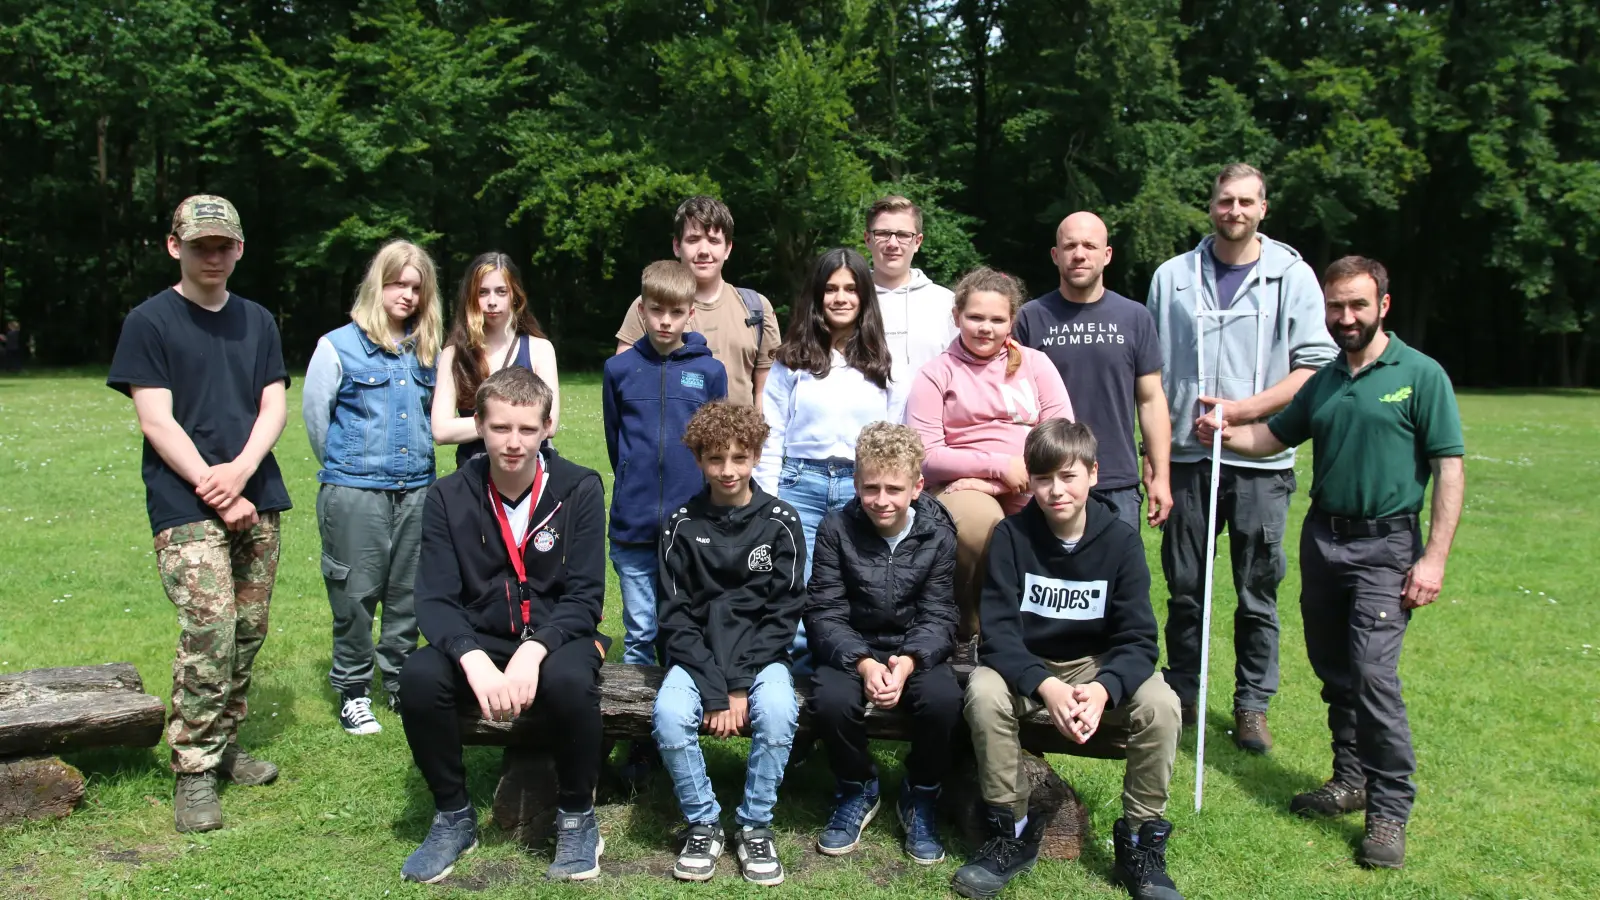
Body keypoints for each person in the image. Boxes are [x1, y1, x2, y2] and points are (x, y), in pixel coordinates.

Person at [1198, 256, 1464, 870]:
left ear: (1383, 306)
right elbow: (1272, 438)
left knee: (1373, 678)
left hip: (1388, 547)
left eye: (1358, 305)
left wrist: (1434, 558)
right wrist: (1224, 428)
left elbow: (1450, 468)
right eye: (1336, 306)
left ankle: (1389, 810)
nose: (1346, 317)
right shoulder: (1324, 379)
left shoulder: (1420, 375)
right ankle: (1351, 780)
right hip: (1323, 542)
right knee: (1336, 672)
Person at [106, 195, 291, 834]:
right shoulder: (149, 321)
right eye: (199, 246)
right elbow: (156, 420)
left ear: (239, 249)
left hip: (258, 493)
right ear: (174, 247)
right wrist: (220, 488)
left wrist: (242, 474)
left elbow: (273, 407)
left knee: (247, 631)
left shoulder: (258, 320)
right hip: (184, 504)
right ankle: (193, 770)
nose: (212, 257)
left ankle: (225, 744)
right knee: (210, 628)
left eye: (223, 246)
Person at [1147, 162, 1337, 752]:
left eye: (1246, 202)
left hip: (1262, 460)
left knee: (1258, 589)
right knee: (1185, 589)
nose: (1235, 211)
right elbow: (1150, 374)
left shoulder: (1292, 276)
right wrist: (1155, 461)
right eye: (1225, 200)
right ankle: (1183, 692)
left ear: (1264, 208)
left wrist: (1242, 410)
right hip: (1184, 457)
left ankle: (1252, 703)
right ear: (1211, 205)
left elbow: (1314, 367)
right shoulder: (1173, 276)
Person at [954, 419, 1183, 900]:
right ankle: (1008, 831)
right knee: (982, 690)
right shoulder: (1012, 537)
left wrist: (1104, 689)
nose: (1055, 490)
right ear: (1030, 480)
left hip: (1096, 667)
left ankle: (1141, 844)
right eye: (1042, 479)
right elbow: (998, 636)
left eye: (1068, 476)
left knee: (1161, 702)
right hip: (1030, 668)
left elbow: (1139, 639)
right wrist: (1046, 686)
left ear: (1093, 474)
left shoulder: (1120, 542)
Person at [398, 367, 608, 884]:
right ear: (479, 426)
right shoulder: (448, 495)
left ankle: (578, 816)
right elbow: (434, 599)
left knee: (570, 681)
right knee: (420, 678)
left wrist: (534, 651)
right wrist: (472, 659)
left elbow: (585, 597)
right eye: (500, 429)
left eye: (526, 430)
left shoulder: (578, 487)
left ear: (547, 428)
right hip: (481, 636)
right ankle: (453, 816)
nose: (513, 443)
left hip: (559, 633)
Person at [653, 402, 805, 886]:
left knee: (779, 711)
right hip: (696, 657)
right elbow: (675, 618)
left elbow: (782, 616)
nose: (727, 470)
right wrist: (716, 689)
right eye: (715, 459)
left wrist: (738, 687)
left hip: (761, 658)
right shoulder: (679, 523)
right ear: (698, 460)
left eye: (739, 458)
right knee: (669, 717)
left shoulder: (782, 521)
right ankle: (703, 822)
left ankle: (754, 824)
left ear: (757, 456)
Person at [302, 240, 444, 734]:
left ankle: (402, 682)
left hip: (417, 492)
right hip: (355, 491)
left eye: (415, 287)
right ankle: (353, 689)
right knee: (355, 595)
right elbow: (318, 424)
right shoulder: (337, 346)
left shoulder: (427, 351)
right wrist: (351, 470)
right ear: (376, 284)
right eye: (396, 283)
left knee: (407, 595)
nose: (406, 295)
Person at [803, 422, 960, 864]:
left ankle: (922, 790)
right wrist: (864, 665)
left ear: (917, 487)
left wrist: (909, 661)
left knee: (945, 699)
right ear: (856, 483)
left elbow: (940, 613)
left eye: (894, 488)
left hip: (915, 649)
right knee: (830, 700)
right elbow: (824, 611)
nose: (881, 500)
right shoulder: (837, 529)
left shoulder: (937, 534)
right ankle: (856, 785)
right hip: (854, 647)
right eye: (870, 487)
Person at [904, 267, 1073, 640]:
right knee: (981, 524)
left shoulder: (1036, 365)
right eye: (975, 317)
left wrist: (998, 482)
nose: (986, 328)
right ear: (957, 317)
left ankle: (1057, 640)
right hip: (960, 491)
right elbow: (926, 455)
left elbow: (1061, 440)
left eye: (997, 319)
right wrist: (995, 468)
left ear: (1012, 320)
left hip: (1031, 482)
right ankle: (970, 631)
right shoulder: (936, 374)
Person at [756, 247, 899, 670]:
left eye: (850, 289)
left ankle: (848, 668)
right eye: (831, 289)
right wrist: (766, 496)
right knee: (796, 581)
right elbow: (772, 433)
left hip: (863, 487)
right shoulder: (791, 362)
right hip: (801, 483)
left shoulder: (885, 365)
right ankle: (794, 679)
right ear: (817, 297)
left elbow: (896, 437)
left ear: (864, 297)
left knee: (856, 581)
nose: (840, 298)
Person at [603, 259, 728, 667]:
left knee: (682, 627)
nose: (665, 321)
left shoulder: (709, 371)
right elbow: (614, 439)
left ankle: (676, 719)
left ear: (690, 313)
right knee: (640, 631)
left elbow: (716, 444)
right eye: (656, 310)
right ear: (641, 309)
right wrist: (629, 478)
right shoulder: (618, 370)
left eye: (676, 312)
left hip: (691, 523)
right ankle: (635, 724)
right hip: (633, 524)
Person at [1015, 212, 1172, 531]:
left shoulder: (1135, 317)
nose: (1080, 254)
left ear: (1107, 254)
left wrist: (1161, 476)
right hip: (1049, 478)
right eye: (1070, 245)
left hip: (1116, 479)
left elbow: (1151, 400)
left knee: (1115, 578)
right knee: (1047, 577)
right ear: (1055, 255)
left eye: (1089, 245)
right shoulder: (1030, 319)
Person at [614, 196, 782, 411]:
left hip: (741, 443)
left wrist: (763, 442)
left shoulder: (757, 307)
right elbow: (625, 383)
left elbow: (766, 390)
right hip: (671, 442)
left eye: (713, 241)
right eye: (693, 240)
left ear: (728, 248)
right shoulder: (648, 306)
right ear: (677, 246)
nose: (704, 251)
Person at [433, 253, 560, 467]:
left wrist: (484, 425)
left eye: (501, 292)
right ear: (471, 296)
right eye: (483, 292)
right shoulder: (455, 355)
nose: (492, 302)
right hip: (474, 473)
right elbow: (441, 430)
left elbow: (550, 424)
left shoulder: (540, 349)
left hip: (528, 473)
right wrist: (516, 424)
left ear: (515, 295)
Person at [864, 195, 957, 385]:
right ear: (868, 239)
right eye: (882, 233)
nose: (892, 243)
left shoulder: (946, 303)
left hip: (929, 415)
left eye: (903, 235)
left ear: (918, 242)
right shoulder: (848, 301)